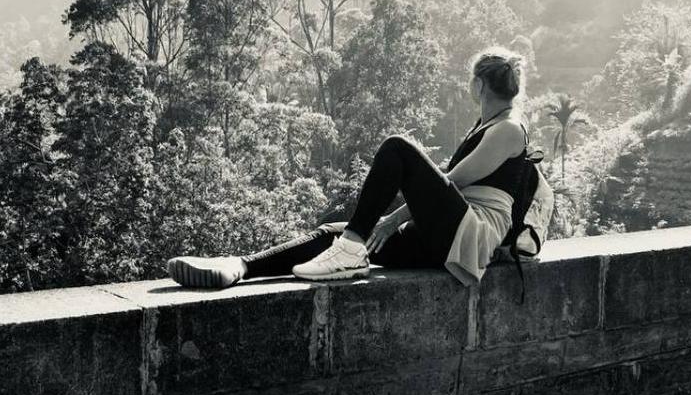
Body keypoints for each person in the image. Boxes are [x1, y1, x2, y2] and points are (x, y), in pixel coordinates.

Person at [166, 47, 529, 290]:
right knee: (332, 234)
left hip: (470, 236)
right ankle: (241, 266)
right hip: (445, 237)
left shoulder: (509, 129)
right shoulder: (487, 124)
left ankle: (352, 249)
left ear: (478, 84)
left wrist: (391, 220)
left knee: (397, 149)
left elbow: (456, 181)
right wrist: (382, 223)